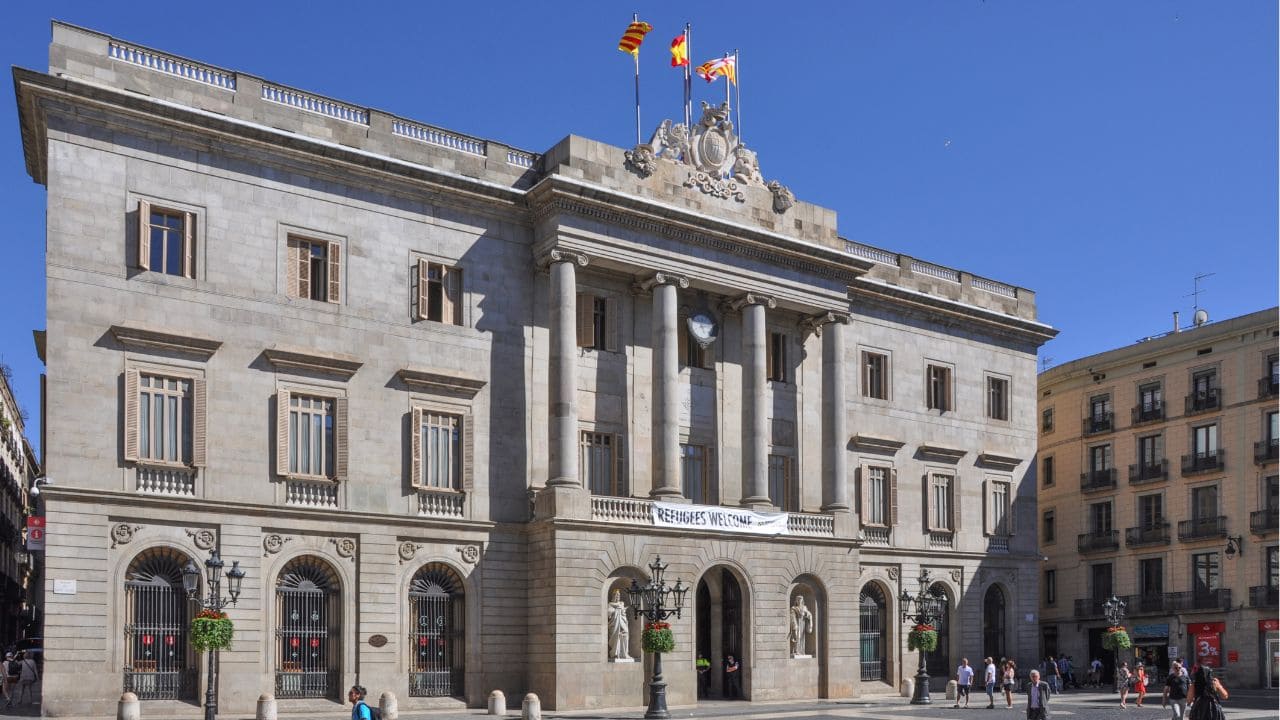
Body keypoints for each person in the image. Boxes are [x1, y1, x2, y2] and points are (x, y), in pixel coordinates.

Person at [607, 589, 631, 661]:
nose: (618, 596)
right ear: (614, 596)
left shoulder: (622, 603)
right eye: (617, 595)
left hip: (622, 622)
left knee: (625, 634)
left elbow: (624, 614)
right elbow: (609, 614)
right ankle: (615, 653)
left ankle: (624, 653)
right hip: (614, 624)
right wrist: (615, 610)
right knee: (616, 637)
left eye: (619, 595)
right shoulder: (610, 604)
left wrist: (623, 610)